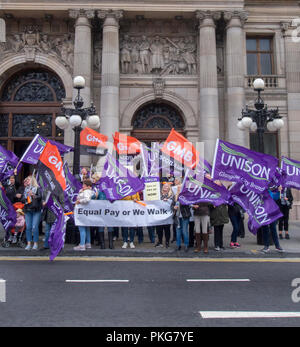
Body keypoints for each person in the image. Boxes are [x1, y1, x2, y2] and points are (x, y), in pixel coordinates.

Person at [22, 176, 43, 250]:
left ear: (32, 181)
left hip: (36, 210)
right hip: (28, 210)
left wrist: (33, 195)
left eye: (28, 179)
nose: (27, 181)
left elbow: (40, 197)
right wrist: (26, 196)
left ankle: (35, 243)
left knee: (34, 227)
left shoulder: (37, 188)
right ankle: (28, 243)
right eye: (26, 179)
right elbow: (22, 199)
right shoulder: (26, 189)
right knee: (28, 227)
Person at [261, 188, 284, 253]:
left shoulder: (270, 190)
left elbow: (276, 197)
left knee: (273, 228)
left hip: (271, 212)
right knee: (265, 229)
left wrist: (279, 191)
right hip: (264, 212)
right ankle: (266, 246)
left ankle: (277, 245)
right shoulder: (261, 190)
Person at [73, 179, 94, 251]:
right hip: (85, 212)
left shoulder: (87, 191)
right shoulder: (87, 191)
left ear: (88, 186)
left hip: (83, 212)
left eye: (84, 185)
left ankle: (82, 245)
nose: (82, 186)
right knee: (87, 228)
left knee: (82, 228)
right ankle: (88, 243)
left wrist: (79, 201)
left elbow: (87, 200)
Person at [93, 184, 115, 249]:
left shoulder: (111, 191)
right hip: (101, 212)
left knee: (110, 227)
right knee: (101, 227)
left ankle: (111, 244)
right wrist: (95, 195)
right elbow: (92, 198)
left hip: (109, 212)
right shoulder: (100, 192)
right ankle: (102, 244)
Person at [155, 183, 175, 248]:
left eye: (167, 186)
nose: (165, 187)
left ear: (169, 188)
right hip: (159, 215)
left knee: (167, 229)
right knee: (159, 229)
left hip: (167, 215)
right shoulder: (158, 194)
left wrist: (168, 201)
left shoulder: (171, 195)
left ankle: (167, 242)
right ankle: (160, 242)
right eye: (164, 186)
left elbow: (173, 203)